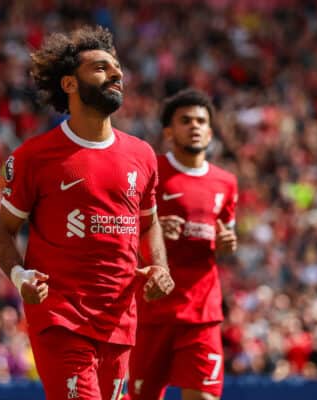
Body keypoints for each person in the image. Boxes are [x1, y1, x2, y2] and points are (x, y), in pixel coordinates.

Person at [0, 26, 174, 400]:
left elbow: (150, 223)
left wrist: (159, 266)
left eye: (118, 68)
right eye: (101, 68)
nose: (116, 74)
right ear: (70, 84)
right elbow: (5, 232)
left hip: (120, 320)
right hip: (61, 318)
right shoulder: (34, 157)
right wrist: (19, 275)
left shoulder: (142, 155)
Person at [125, 89, 238, 400]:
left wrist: (227, 245)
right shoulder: (152, 172)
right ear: (169, 131)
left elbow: (225, 240)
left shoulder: (226, 182)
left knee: (203, 397)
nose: (195, 126)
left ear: (211, 132)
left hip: (202, 313)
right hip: (153, 311)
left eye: (201, 121)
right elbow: (123, 233)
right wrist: (154, 231)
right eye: (185, 120)